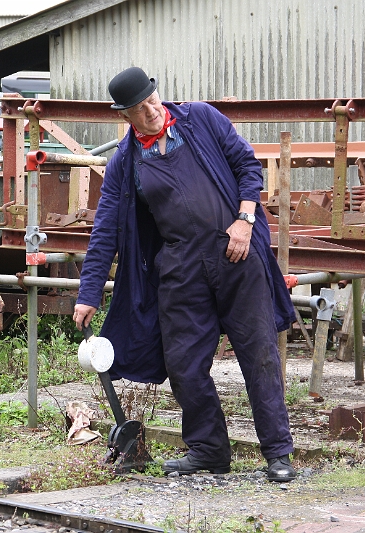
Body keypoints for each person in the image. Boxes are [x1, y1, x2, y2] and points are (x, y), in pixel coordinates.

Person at [73, 67, 298, 482]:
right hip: (180, 267)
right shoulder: (126, 162)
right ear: (125, 116)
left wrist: (245, 220)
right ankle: (210, 449)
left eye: (152, 100)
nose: (151, 110)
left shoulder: (201, 119)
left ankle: (278, 453)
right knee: (183, 364)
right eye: (140, 109)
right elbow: (106, 228)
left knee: (259, 354)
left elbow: (248, 166)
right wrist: (88, 293)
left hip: (236, 252)